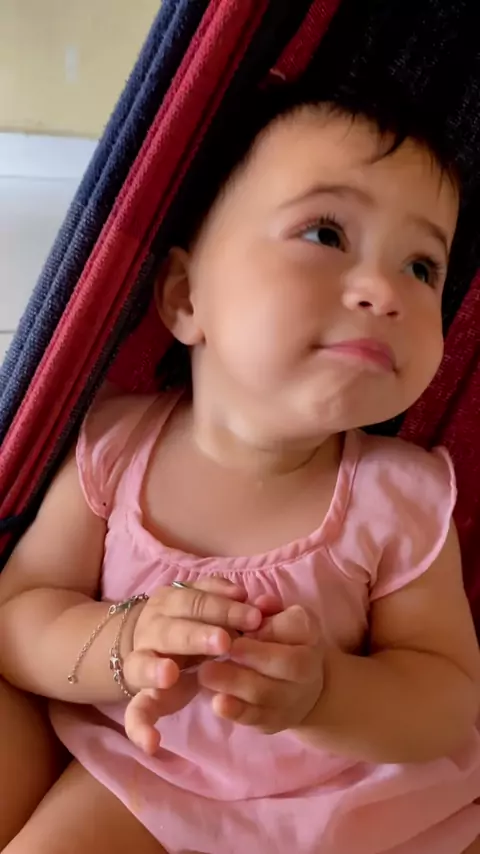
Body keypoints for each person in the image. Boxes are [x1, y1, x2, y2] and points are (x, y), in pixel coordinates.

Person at [1, 87, 480, 854]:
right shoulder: (115, 448)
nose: (386, 291)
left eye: (422, 266)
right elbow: (19, 616)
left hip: (351, 803)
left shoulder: (400, 496)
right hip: (143, 777)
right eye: (325, 233)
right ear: (186, 297)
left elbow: (446, 698)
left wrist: (327, 694)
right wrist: (127, 640)